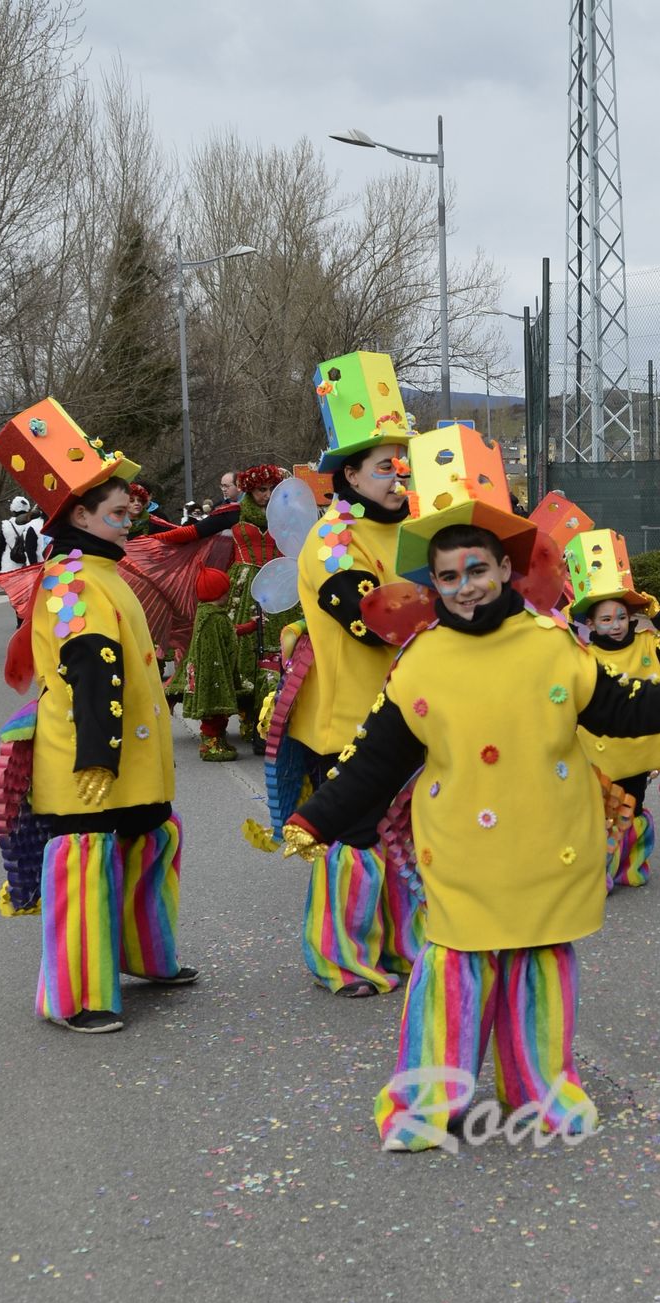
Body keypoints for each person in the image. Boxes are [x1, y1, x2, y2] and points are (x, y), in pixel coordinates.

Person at [281, 470, 660, 1151]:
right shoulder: (421, 660)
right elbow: (376, 758)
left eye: (477, 568)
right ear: (432, 584)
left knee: (539, 961)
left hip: (545, 842)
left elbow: (626, 710)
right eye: (448, 575)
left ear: (505, 569)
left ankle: (540, 1090)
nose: (465, 584)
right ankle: (431, 1100)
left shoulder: (554, 645)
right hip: (461, 848)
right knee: (455, 967)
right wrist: (313, 819)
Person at [0, 399, 196, 1034]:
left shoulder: (104, 571)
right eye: (117, 514)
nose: (129, 522)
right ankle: (75, 994)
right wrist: (98, 756)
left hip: (129, 760)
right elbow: (89, 668)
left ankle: (142, 954)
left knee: (144, 843)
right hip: (93, 762)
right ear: (79, 515)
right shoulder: (75, 582)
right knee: (85, 859)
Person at [277, 351, 419, 999]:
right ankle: (341, 958)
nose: (400, 475)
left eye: (402, 461)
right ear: (351, 474)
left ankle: (398, 945)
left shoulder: (411, 531)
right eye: (386, 465)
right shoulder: (333, 540)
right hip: (351, 723)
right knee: (358, 840)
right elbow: (372, 616)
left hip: (414, 716)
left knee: (400, 835)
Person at [567, 529, 660, 887]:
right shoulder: (580, 655)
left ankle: (629, 867)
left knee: (633, 807)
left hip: (637, 753)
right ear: (590, 624)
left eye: (621, 617)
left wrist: (659, 612)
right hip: (596, 753)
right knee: (598, 810)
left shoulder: (647, 648)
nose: (615, 626)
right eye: (605, 620)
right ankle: (600, 873)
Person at [168, 567, 253, 761]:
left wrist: (250, 626)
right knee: (215, 712)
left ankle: (218, 740)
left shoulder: (206, 613)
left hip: (209, 671)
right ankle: (211, 745)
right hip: (213, 673)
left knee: (218, 714)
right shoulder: (215, 618)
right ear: (219, 593)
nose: (228, 594)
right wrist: (250, 627)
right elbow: (229, 634)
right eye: (225, 591)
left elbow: (230, 632)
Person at [0, 496, 48, 575]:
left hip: (10, 564)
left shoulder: (6, 525)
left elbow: (1, 549)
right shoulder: (34, 523)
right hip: (33, 565)